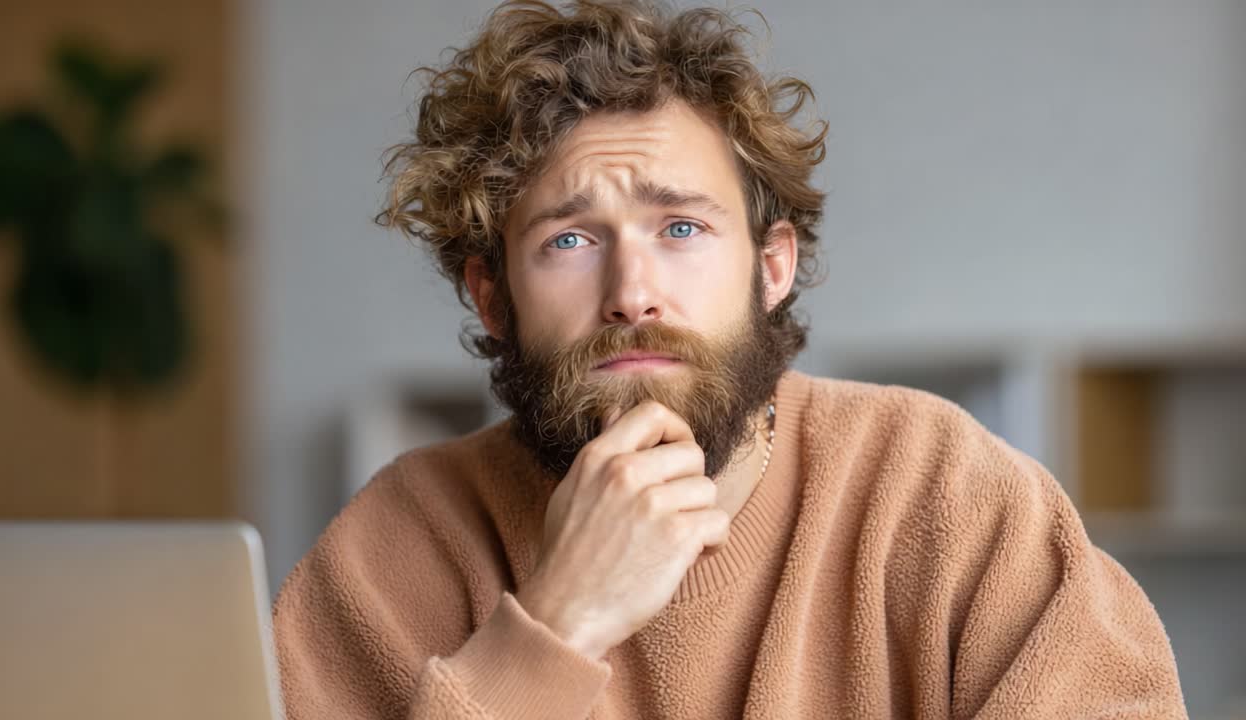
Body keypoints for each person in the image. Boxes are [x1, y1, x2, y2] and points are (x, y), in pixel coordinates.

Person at [270, 2, 1186, 717]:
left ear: (772, 266)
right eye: (569, 241)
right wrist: (555, 628)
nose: (632, 291)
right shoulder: (398, 546)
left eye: (680, 227)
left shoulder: (946, 493)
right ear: (490, 295)